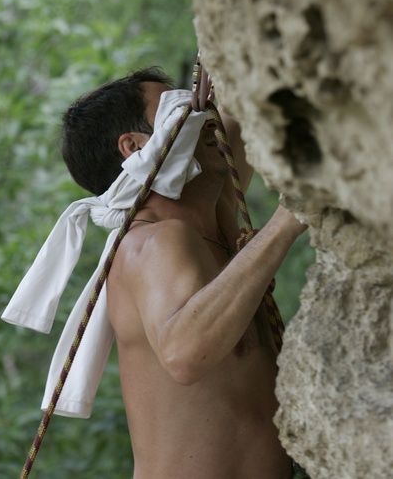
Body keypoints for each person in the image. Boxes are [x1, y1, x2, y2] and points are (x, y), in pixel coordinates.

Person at [61, 67, 308, 479]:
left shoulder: (211, 220)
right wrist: (287, 222)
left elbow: (234, 120)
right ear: (136, 147)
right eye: (179, 107)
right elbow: (184, 354)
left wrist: (225, 66)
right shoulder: (153, 242)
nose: (201, 112)